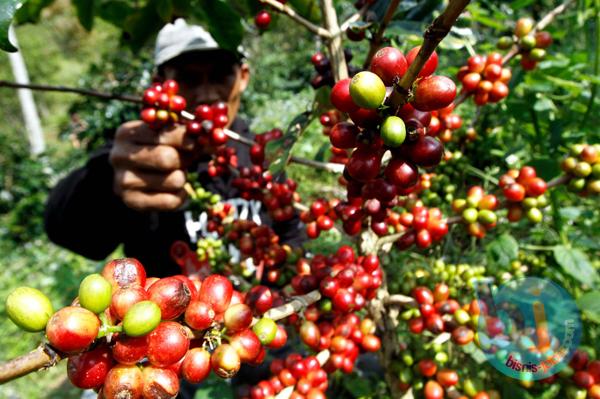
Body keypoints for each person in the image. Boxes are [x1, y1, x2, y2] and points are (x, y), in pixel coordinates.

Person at [44, 19, 306, 280]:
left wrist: (280, 287)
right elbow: (68, 231)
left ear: (243, 78)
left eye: (221, 75)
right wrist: (108, 181)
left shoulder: (262, 154)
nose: (206, 94)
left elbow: (291, 229)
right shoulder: (139, 156)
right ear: (160, 84)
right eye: (188, 79)